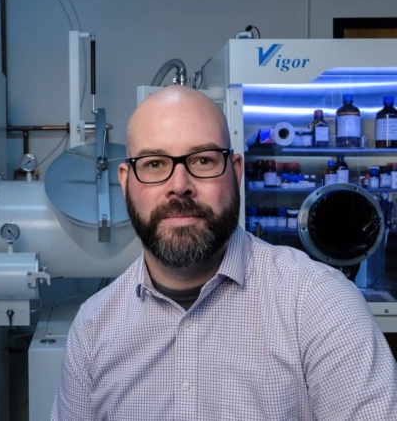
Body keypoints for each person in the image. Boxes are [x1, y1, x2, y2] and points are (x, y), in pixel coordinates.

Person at [51, 86, 397, 420]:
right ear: (125, 181)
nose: (179, 184)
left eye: (202, 160)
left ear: (236, 171)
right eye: (155, 164)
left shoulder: (320, 304)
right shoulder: (94, 326)